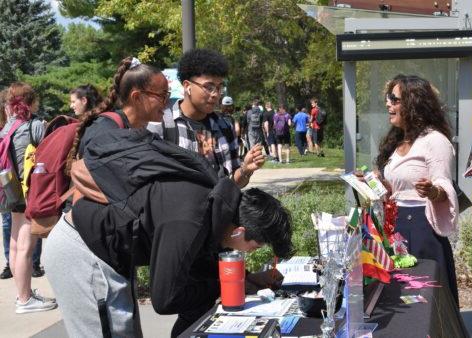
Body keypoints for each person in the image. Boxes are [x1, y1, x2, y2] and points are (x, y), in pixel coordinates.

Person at [44, 170, 292, 337]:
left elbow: (195, 263)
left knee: (126, 331)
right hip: (82, 251)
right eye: (256, 246)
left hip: (107, 250)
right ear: (239, 231)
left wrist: (246, 279)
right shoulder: (190, 222)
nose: (251, 251)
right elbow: (165, 300)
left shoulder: (217, 207)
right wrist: (222, 287)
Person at [375, 74, 459, 304]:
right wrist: (376, 184)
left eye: (394, 98)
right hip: (397, 228)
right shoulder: (397, 142)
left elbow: (444, 185)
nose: (388, 103)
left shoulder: (435, 140)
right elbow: (396, 190)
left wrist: (433, 192)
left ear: (414, 103)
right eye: (387, 97)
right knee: (401, 301)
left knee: (426, 301)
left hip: (423, 230)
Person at [148, 49, 265, 188]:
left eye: (219, 87)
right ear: (187, 86)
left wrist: (245, 170)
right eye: (209, 87)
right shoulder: (161, 125)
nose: (215, 94)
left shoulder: (225, 127)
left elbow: (232, 185)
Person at [2, 82, 54, 313]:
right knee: (26, 247)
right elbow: (49, 153)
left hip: (10, 191)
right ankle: (25, 299)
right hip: (27, 190)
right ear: (30, 103)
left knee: (14, 244)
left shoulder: (6, 128)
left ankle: (22, 293)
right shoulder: (33, 126)